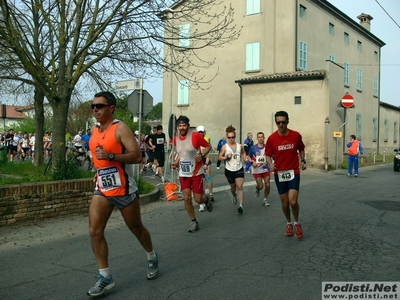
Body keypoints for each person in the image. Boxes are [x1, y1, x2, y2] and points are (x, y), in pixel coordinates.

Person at [87, 91, 159, 297]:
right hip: (102, 188)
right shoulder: (94, 130)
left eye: (99, 106)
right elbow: (98, 159)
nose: (95, 109)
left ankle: (152, 256)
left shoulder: (121, 129)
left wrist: (111, 155)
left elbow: (137, 157)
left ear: (111, 108)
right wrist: (98, 172)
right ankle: (105, 277)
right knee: (94, 230)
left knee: (135, 227)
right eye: (93, 106)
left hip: (124, 188)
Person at [265, 111, 306, 239]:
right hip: (280, 173)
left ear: (288, 121)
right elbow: (267, 155)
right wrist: (271, 164)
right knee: (284, 203)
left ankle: (297, 223)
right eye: (278, 122)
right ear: (275, 123)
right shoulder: (272, 139)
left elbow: (301, 149)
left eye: (283, 122)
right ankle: (289, 223)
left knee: (293, 202)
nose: (281, 125)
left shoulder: (296, 135)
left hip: (293, 171)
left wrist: (303, 161)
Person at [171, 115, 213, 232]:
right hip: (183, 173)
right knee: (187, 198)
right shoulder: (176, 139)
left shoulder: (195, 136)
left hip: (196, 172)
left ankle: (206, 200)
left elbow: (208, 146)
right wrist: (176, 162)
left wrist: (202, 155)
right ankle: (194, 221)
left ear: (188, 126)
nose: (182, 128)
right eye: (180, 126)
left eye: (184, 125)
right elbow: (181, 154)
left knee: (198, 199)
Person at [218, 125, 247, 214]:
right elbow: (219, 157)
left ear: (235, 136)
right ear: (227, 137)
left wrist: (245, 158)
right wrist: (226, 157)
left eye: (233, 137)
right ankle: (234, 195)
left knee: (240, 187)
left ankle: (241, 205)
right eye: (229, 137)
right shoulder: (225, 147)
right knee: (233, 188)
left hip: (239, 168)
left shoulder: (240, 146)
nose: (231, 139)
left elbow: (243, 152)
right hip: (229, 169)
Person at [248, 132, 271, 207]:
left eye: (262, 137)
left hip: (266, 168)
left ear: (264, 138)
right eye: (259, 137)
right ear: (257, 138)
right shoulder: (253, 148)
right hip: (256, 169)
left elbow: (271, 155)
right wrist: (252, 162)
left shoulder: (267, 147)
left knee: (267, 184)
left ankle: (265, 199)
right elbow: (248, 156)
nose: (260, 138)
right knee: (261, 186)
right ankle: (257, 188)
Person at [197, 125, 214, 212]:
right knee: (201, 182)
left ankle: (210, 194)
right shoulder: (195, 142)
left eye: (201, 132)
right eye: (199, 132)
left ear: (204, 133)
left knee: (208, 177)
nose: (200, 133)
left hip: (206, 161)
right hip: (199, 163)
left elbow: (207, 156)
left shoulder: (205, 140)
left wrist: (206, 164)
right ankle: (202, 200)